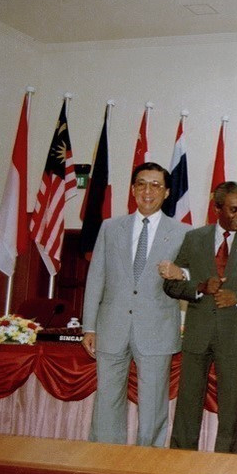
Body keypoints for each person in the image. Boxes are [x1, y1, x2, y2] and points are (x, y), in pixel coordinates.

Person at [161, 181, 237, 453]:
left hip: (236, 336)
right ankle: (180, 462)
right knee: (187, 404)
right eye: (233, 209)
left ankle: (226, 466)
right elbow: (171, 284)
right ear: (217, 208)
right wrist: (200, 287)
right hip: (197, 334)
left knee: (229, 408)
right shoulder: (195, 238)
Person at [81, 162, 189, 446]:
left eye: (156, 185)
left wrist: (182, 273)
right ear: (132, 189)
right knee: (107, 401)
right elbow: (96, 278)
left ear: (166, 192)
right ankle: (104, 460)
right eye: (141, 184)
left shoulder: (182, 232)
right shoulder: (110, 227)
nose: (148, 191)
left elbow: (192, 278)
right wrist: (89, 326)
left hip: (156, 330)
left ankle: (147, 464)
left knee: (153, 405)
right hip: (111, 328)